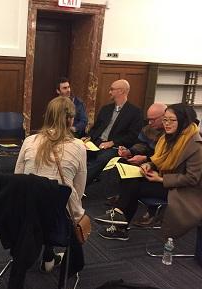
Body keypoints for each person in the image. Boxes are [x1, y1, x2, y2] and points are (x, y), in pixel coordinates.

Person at [95, 103, 202, 241]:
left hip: (182, 190)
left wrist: (161, 179)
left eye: (172, 120)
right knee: (132, 175)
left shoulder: (196, 145)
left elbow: (192, 179)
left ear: (183, 120)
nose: (167, 124)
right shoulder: (169, 138)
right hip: (165, 179)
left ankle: (119, 221)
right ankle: (119, 217)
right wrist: (149, 164)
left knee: (135, 184)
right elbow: (161, 160)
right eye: (165, 119)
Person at [14, 96, 87, 272]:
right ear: (70, 120)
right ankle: (49, 254)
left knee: (42, 198)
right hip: (60, 219)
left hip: (26, 213)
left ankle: (41, 253)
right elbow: (79, 188)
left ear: (47, 117)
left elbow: (17, 178)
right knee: (60, 198)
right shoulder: (79, 146)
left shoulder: (29, 141)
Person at [84, 79, 142, 185]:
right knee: (77, 151)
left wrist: (112, 143)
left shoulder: (135, 112)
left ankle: (77, 188)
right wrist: (87, 138)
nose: (109, 92)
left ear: (121, 91)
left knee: (101, 160)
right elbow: (96, 128)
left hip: (115, 146)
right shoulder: (106, 108)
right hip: (96, 142)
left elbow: (132, 136)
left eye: (112, 89)